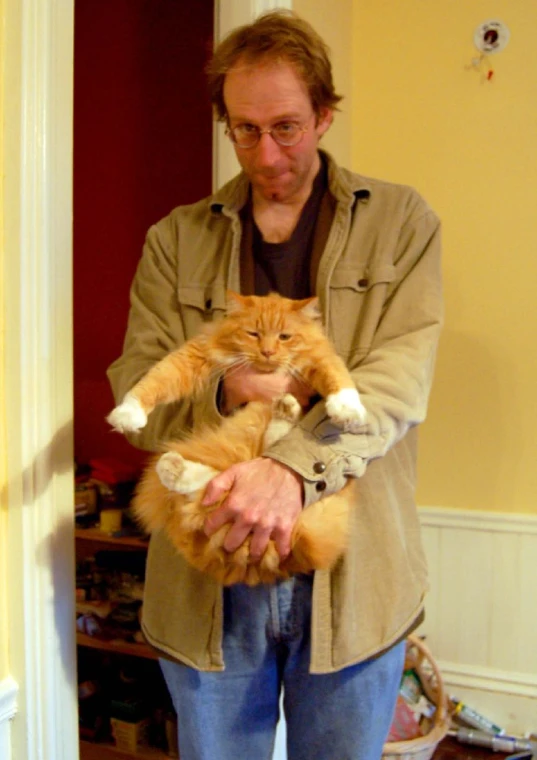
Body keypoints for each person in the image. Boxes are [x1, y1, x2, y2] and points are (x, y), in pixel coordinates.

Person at [107, 10, 443, 760]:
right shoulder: (175, 239)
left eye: (286, 127)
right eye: (244, 129)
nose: (266, 153)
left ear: (325, 115)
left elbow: (396, 383)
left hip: (353, 580)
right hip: (206, 579)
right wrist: (227, 389)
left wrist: (289, 473)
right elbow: (137, 382)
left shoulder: (400, 223)